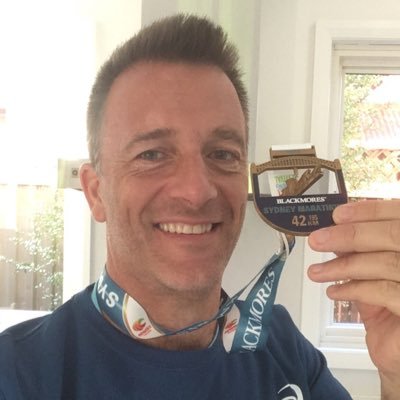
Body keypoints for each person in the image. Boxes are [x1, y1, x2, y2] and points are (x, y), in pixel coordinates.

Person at [0, 14, 399, 399]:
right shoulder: (17, 373)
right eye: (152, 154)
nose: (196, 191)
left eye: (222, 154)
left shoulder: (282, 345)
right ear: (95, 192)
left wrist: (395, 375)